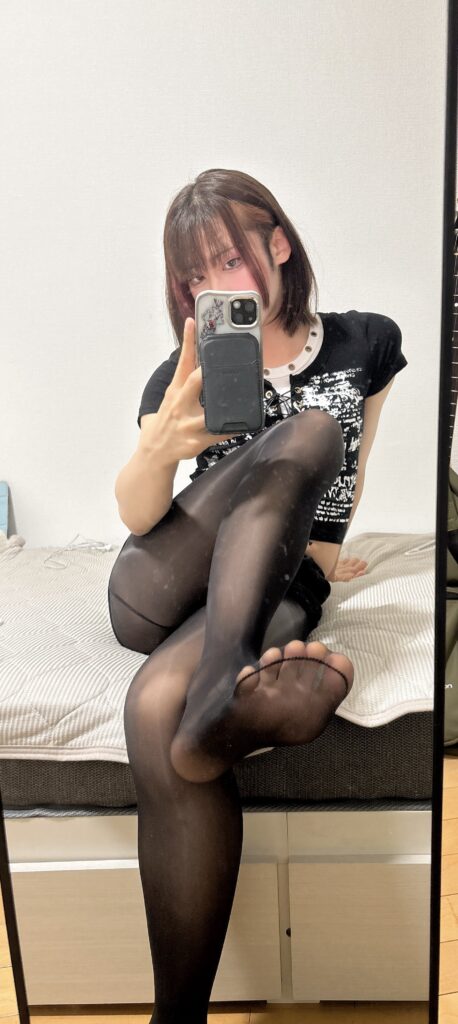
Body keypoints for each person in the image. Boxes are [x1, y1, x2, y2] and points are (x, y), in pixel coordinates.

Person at [107, 168, 407, 1024]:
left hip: (270, 583)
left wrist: (325, 553)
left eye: (228, 260)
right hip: (160, 579)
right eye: (195, 275)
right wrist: (161, 444)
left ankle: (176, 1020)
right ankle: (228, 686)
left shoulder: (365, 344)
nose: (214, 286)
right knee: (307, 430)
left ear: (277, 244)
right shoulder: (183, 374)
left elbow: (354, 467)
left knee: (155, 711)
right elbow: (139, 514)